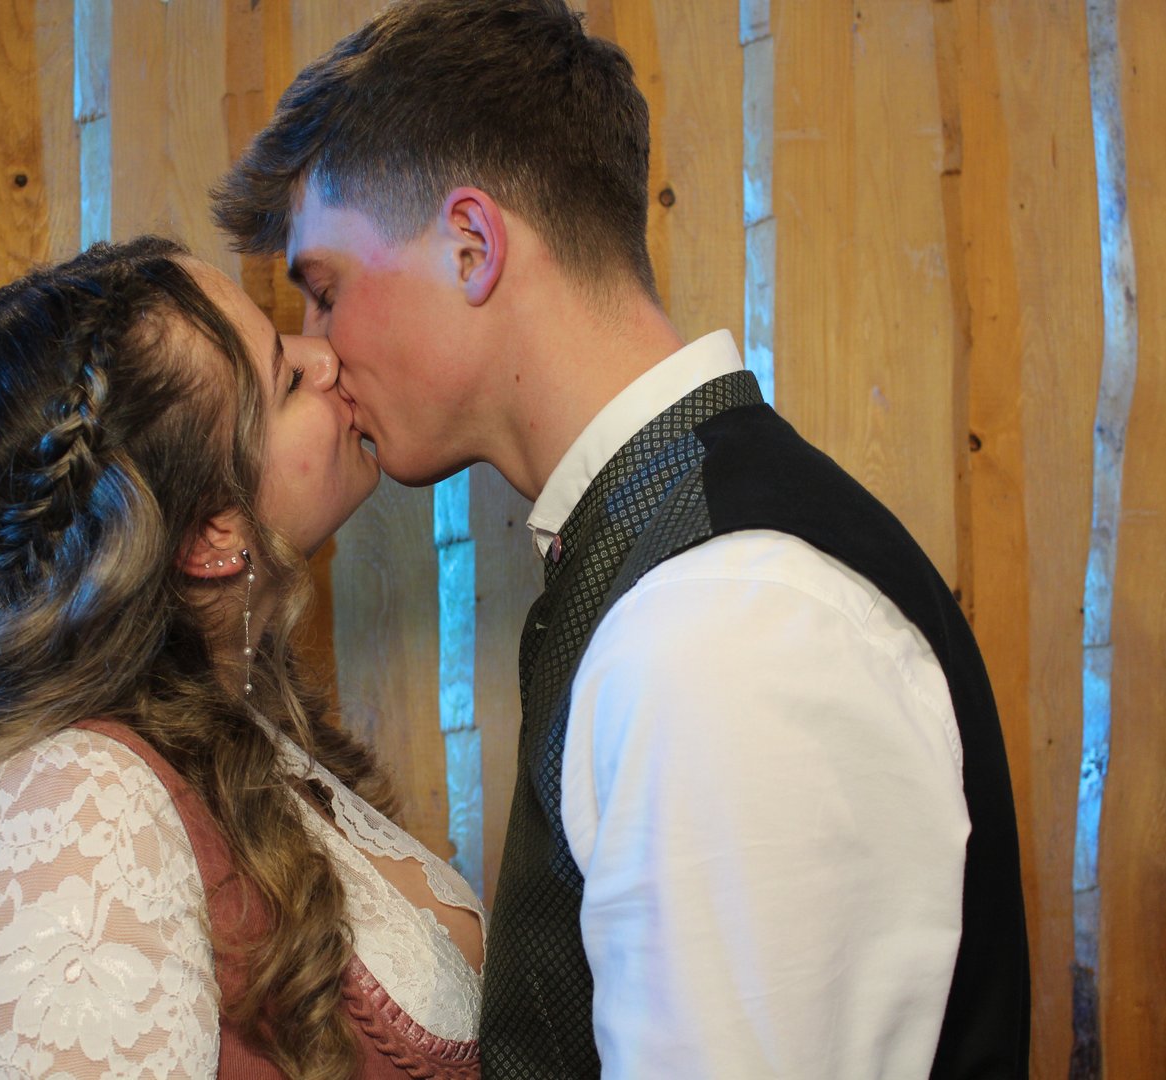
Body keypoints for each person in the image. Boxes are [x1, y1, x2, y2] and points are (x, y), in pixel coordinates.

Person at [211, 1, 1030, 1077]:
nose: (317, 351)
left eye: (325, 290)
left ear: (471, 247)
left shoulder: (723, 621)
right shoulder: (682, 570)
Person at [0, 236, 485, 1080]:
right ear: (210, 535)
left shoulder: (225, 738)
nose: (325, 356)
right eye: (284, 380)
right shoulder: (64, 823)